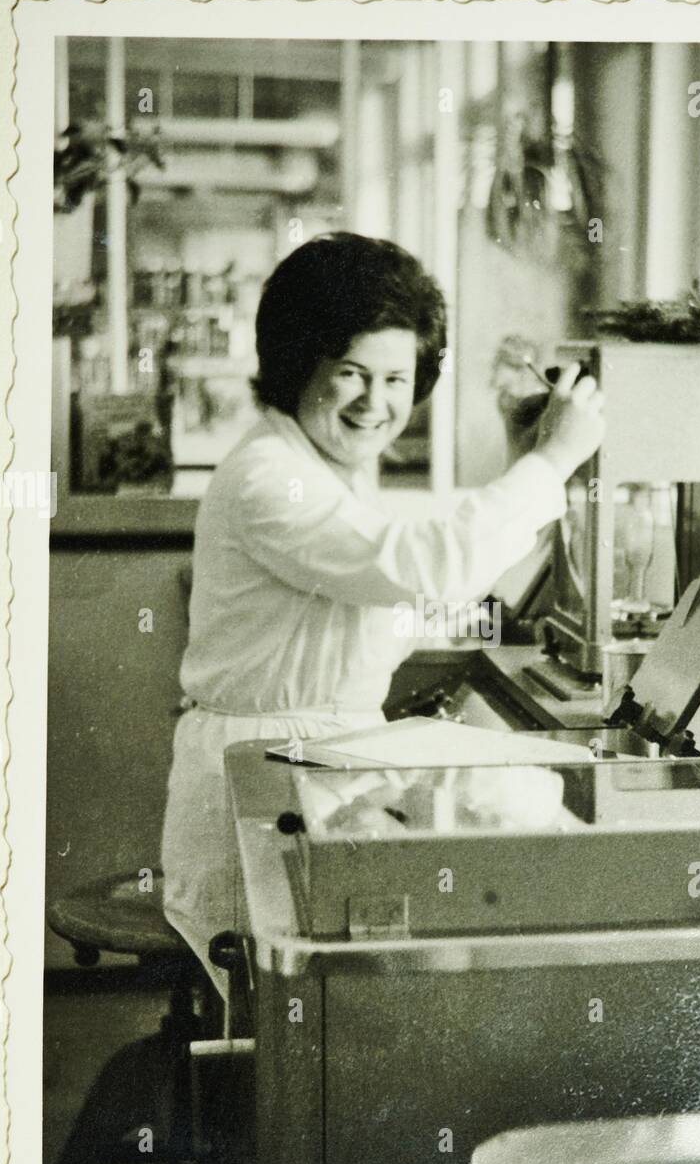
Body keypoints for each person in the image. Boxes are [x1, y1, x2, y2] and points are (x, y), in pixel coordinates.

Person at [161, 232, 604, 991]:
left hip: (298, 759)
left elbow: (404, 590)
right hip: (263, 771)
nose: (377, 404)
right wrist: (551, 462)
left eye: (397, 379)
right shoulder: (272, 478)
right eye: (352, 375)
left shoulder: (327, 466)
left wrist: (518, 467)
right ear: (301, 365)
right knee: (293, 1028)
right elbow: (416, 563)